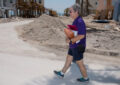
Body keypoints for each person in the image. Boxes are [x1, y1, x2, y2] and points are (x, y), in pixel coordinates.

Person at [54, 4, 89, 82]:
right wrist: (68, 37)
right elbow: (73, 33)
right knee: (68, 59)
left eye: (71, 11)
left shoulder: (80, 21)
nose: (69, 13)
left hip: (78, 46)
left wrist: (70, 40)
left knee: (80, 64)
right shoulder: (75, 21)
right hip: (73, 45)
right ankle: (62, 73)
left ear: (76, 12)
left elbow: (81, 35)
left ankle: (86, 78)